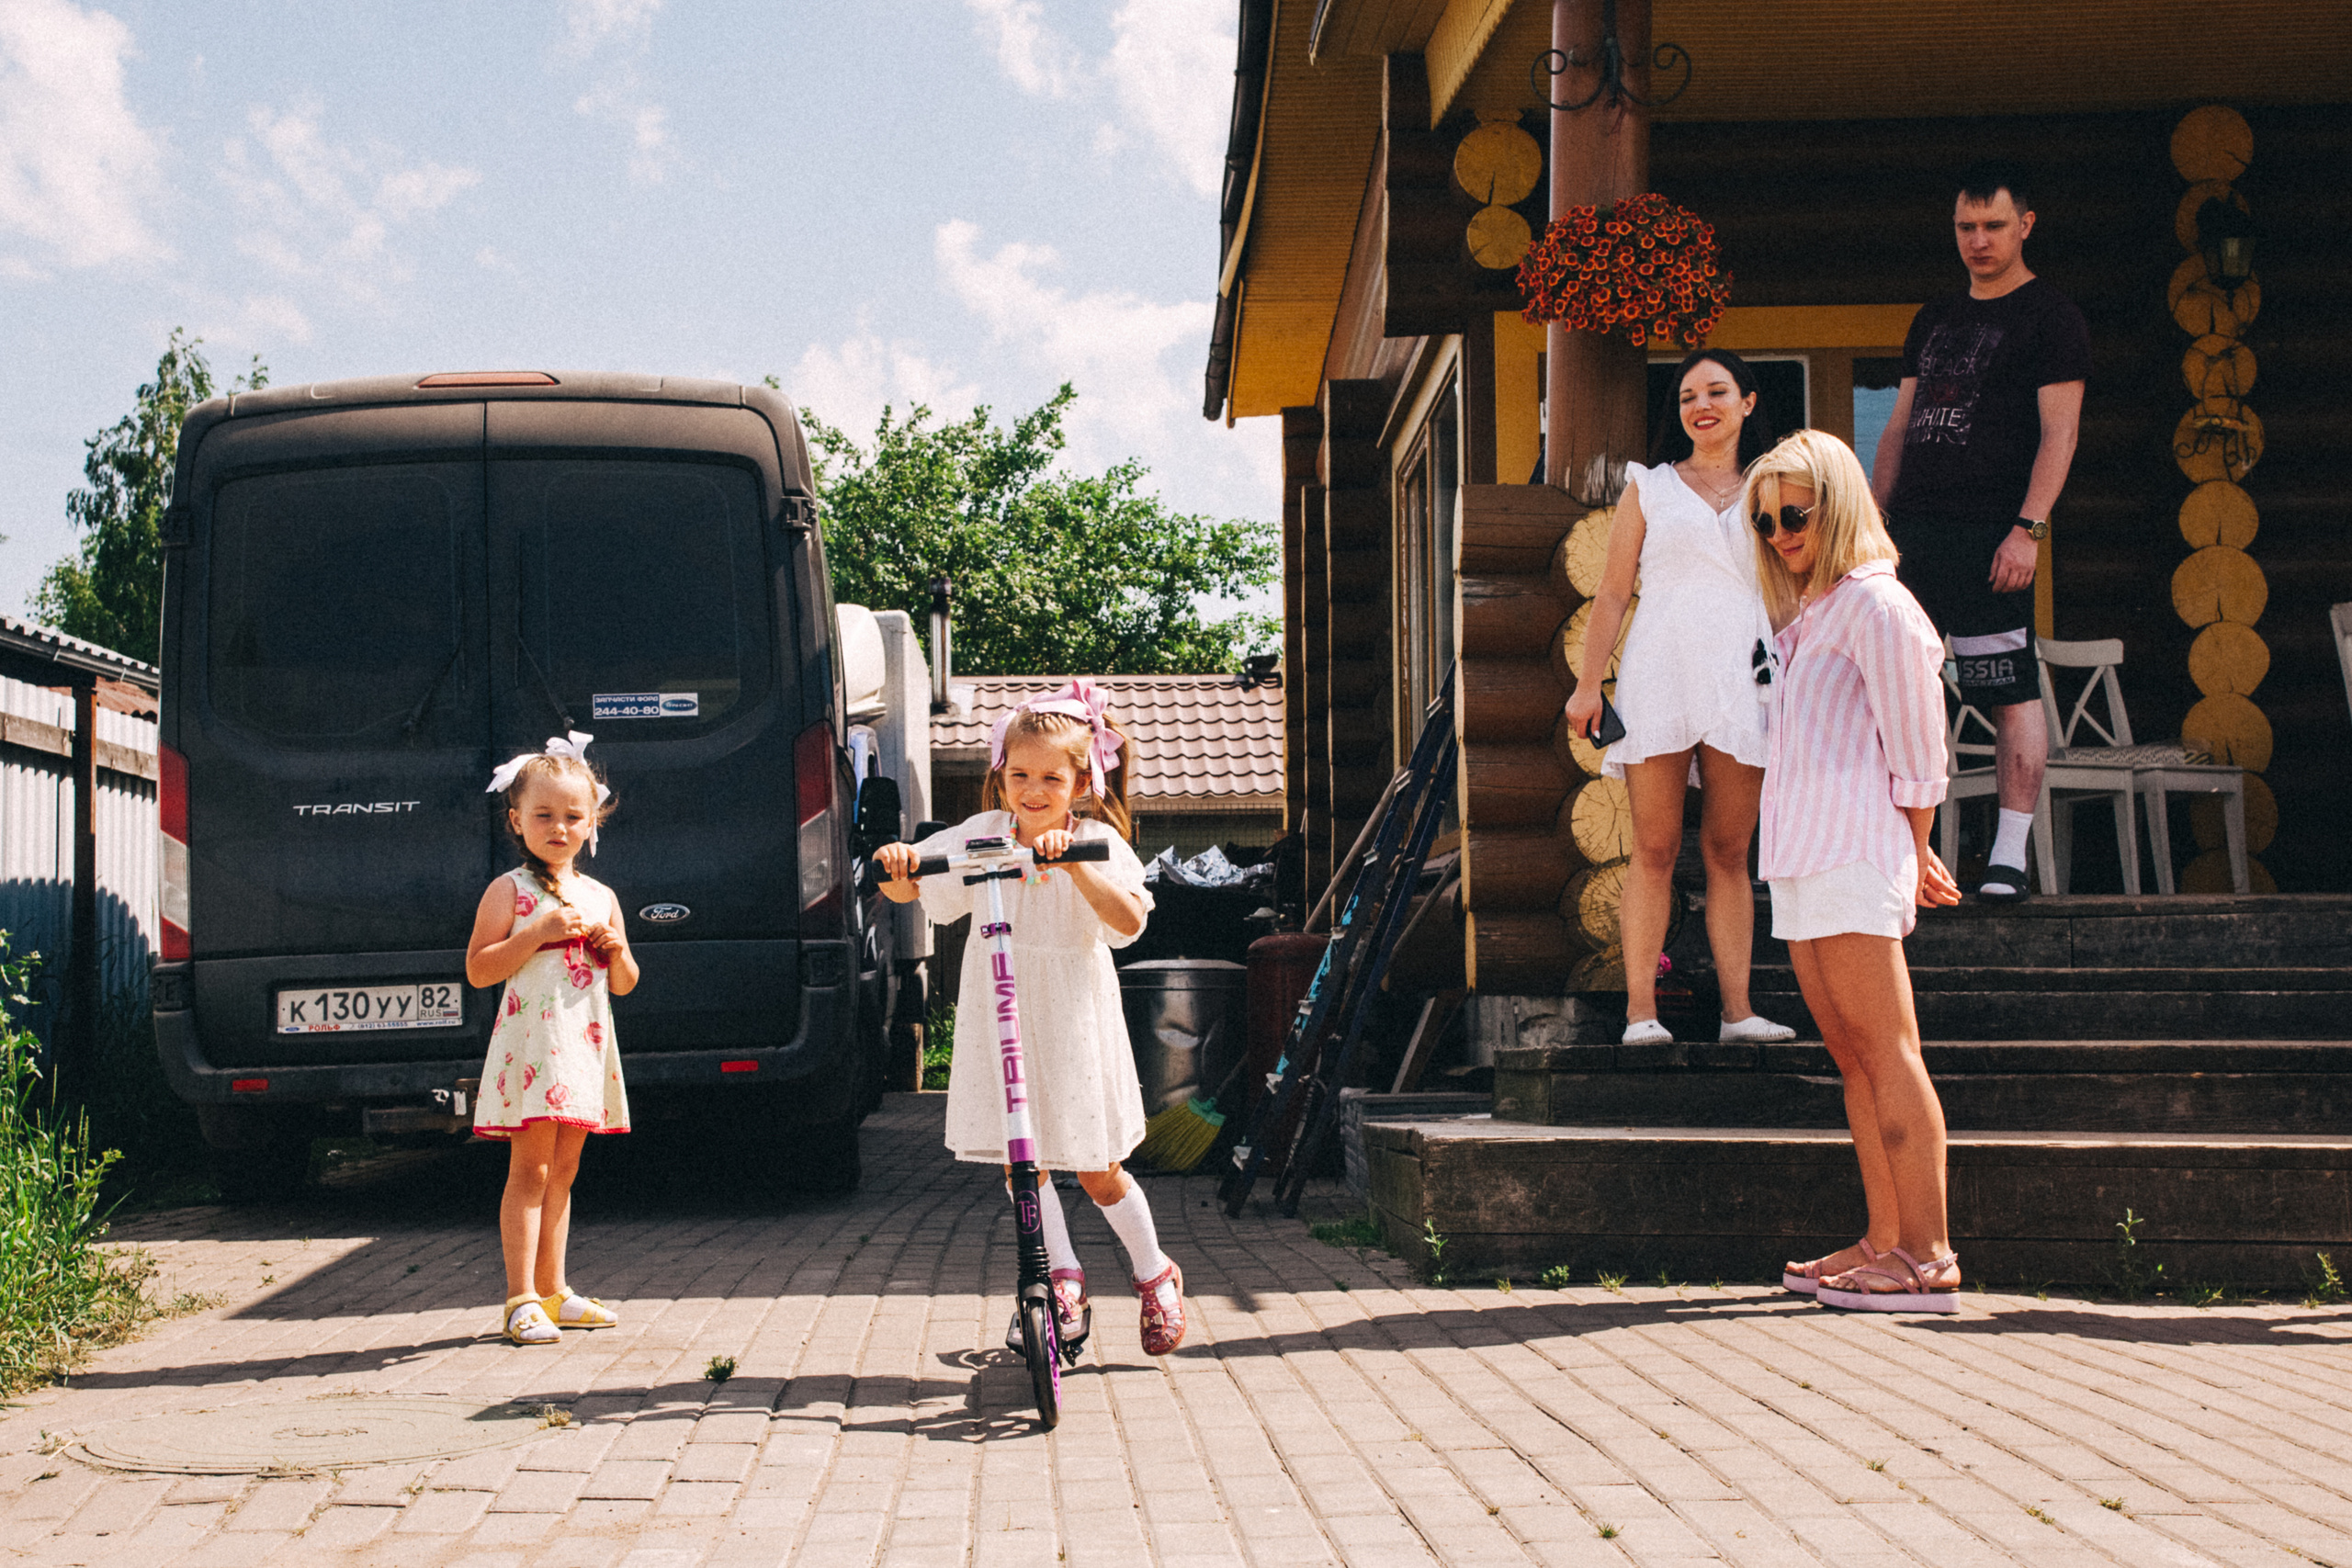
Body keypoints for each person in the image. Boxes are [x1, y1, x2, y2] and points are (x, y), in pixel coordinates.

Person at [874, 680, 1187, 1355]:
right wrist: (897, 867)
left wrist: (1075, 866)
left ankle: (1154, 1270)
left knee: (1099, 1166)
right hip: (1004, 1013)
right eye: (1020, 774)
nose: (1033, 789)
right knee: (1025, 1163)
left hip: (1073, 1018)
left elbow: (1130, 920)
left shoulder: (1095, 838)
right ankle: (1060, 1277)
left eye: (1051, 776)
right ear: (1001, 776)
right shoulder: (984, 834)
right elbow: (921, 889)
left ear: (1081, 781)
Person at [1747, 431, 1965, 1312]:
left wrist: (1911, 853)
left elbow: (1920, 751)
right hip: (1801, 857)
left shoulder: (1879, 606)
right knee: (1852, 1057)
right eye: (1766, 521)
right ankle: (1884, 1240)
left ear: (1836, 502)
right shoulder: (1812, 616)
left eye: (1794, 513)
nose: (1780, 532)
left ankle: (1930, 1253)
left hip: (1850, 852)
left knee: (1888, 1050)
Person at [1871, 159, 2090, 900]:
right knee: (1892, 686)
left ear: (2025, 225)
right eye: (1966, 226)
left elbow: (2059, 435)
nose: (1978, 240)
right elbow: (1898, 425)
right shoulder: (1934, 318)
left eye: (1993, 225)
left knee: (2008, 688)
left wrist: (2028, 528)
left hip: (1994, 535)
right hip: (1913, 536)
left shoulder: (2050, 317)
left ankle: (2006, 858)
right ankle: (1901, 853)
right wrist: (1873, 518)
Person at [1564, 348, 1794, 1047]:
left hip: (1741, 677)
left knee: (1729, 848)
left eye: (1718, 391)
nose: (1703, 405)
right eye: (1689, 394)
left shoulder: (1774, 483)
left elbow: (1795, 586)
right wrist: (1586, 684)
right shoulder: (1651, 486)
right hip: (1659, 673)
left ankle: (1738, 1012)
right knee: (1655, 848)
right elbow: (1611, 594)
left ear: (1747, 402)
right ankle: (1641, 1012)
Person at [465, 733, 639, 1347]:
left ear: (592, 823)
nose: (558, 827)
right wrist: (536, 932)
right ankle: (519, 1298)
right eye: (543, 815)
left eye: (573, 816)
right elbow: (480, 968)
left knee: (564, 1171)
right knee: (531, 1170)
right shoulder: (509, 891)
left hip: (582, 1051)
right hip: (534, 1052)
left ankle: (554, 1290)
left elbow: (623, 983)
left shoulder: (601, 897)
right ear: (517, 820)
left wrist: (616, 949)